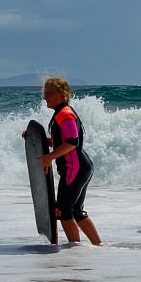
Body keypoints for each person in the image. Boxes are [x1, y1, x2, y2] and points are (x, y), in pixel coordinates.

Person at [41, 76, 101, 246]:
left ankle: (75, 249)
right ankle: (99, 246)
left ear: (63, 94)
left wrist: (49, 157)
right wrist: (39, 140)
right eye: (45, 93)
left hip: (74, 167)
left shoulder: (65, 114)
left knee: (63, 211)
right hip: (81, 166)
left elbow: (72, 142)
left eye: (50, 93)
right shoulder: (62, 113)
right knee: (76, 210)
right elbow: (63, 141)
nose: (46, 97)